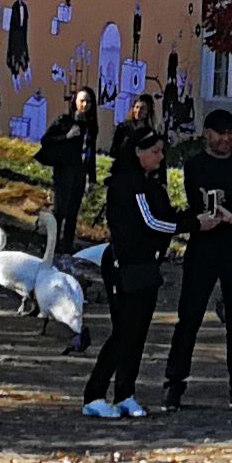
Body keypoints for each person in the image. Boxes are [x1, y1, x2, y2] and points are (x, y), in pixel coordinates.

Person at [164, 109, 232, 410]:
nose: (227, 139)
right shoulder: (195, 164)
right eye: (220, 133)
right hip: (203, 249)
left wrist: (230, 198)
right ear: (207, 134)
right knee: (189, 318)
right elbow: (198, 200)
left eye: (230, 132)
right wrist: (227, 199)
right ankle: (174, 383)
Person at [83, 127, 178, 417]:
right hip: (124, 266)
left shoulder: (148, 184)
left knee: (137, 333)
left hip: (145, 266)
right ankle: (95, 394)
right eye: (155, 152)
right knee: (123, 332)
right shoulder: (127, 184)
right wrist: (192, 224)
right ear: (138, 153)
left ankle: (126, 392)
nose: (160, 158)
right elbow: (152, 222)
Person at [40, 86, 102, 258]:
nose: (85, 104)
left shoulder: (90, 126)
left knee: (73, 211)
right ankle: (52, 245)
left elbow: (90, 152)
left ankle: (67, 244)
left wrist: (92, 177)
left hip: (80, 171)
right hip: (64, 169)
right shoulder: (65, 121)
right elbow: (46, 140)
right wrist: (66, 136)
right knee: (60, 210)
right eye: (82, 100)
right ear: (75, 102)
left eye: (88, 101)